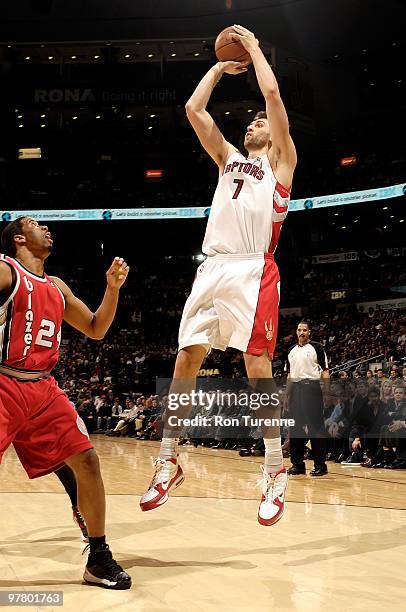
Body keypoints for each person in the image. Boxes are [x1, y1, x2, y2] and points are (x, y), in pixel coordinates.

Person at [140, 24, 297, 526]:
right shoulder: (229, 158)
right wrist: (218, 67)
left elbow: (271, 92)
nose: (254, 122)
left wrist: (252, 47)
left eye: (259, 121)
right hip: (212, 266)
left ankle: (275, 468)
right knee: (186, 360)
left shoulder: (281, 164)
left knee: (256, 370)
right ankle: (168, 459)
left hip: (253, 270)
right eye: (249, 120)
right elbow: (193, 111)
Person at [0, 216, 131, 589]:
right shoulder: (6, 270)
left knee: (87, 461)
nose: (47, 228)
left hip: (43, 389)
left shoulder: (56, 286)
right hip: (3, 382)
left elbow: (96, 328)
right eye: (36, 224)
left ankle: (99, 558)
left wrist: (112, 289)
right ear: (19, 237)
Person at [286, 321, 330, 476]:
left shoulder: (317, 347)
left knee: (315, 428)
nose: (302, 332)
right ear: (296, 332)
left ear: (309, 332)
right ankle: (297, 465)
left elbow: (325, 370)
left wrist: (327, 391)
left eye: (304, 330)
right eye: (299, 330)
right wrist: (287, 396)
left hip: (312, 388)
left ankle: (320, 465)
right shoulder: (290, 350)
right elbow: (290, 375)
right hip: (296, 390)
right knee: (296, 428)